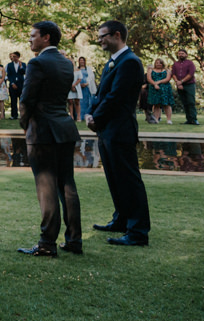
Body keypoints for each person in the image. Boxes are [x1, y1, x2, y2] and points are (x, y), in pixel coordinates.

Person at [16, 21, 82, 257]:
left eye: (32, 35)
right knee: (67, 186)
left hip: (43, 131)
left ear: (46, 37)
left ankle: (47, 244)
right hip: (64, 128)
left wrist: (25, 125)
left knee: (47, 189)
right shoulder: (67, 63)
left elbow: (26, 100)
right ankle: (74, 240)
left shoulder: (37, 63)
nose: (30, 40)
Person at [85, 20, 151, 247]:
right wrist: (91, 113)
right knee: (114, 178)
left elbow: (117, 97)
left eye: (102, 36)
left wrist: (97, 118)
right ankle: (121, 220)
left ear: (116, 35)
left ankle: (138, 232)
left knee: (129, 180)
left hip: (120, 129)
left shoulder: (131, 62)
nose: (99, 40)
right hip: (107, 129)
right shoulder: (113, 62)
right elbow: (102, 94)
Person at [170, 49, 199, 125]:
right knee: (185, 103)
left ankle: (194, 119)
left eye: (182, 53)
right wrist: (178, 83)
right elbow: (173, 74)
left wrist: (181, 81)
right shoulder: (175, 64)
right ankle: (189, 120)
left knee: (191, 102)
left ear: (186, 55)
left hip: (189, 85)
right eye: (179, 53)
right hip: (179, 86)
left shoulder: (190, 63)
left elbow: (190, 74)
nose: (181, 55)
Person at [146, 59, 174, 124]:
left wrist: (159, 82)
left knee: (167, 104)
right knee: (156, 104)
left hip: (165, 89)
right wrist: (155, 84)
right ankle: (156, 119)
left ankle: (169, 119)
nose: (158, 64)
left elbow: (167, 78)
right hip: (154, 89)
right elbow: (149, 78)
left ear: (162, 64)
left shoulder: (167, 70)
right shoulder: (150, 70)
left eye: (160, 63)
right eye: (157, 63)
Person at [6, 51, 26, 119]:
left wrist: (21, 67)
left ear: (18, 57)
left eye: (14, 56)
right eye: (12, 56)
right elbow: (9, 75)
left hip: (21, 84)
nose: (13, 58)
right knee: (13, 101)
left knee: (22, 101)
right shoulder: (9, 65)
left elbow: (24, 72)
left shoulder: (23, 64)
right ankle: (14, 115)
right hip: (13, 85)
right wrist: (12, 83)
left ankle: (23, 115)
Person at [67, 56, 82, 122]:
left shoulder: (78, 70)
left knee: (77, 101)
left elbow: (80, 78)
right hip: (69, 87)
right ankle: (71, 116)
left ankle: (78, 116)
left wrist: (74, 85)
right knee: (70, 101)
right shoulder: (67, 70)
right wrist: (70, 86)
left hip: (76, 87)